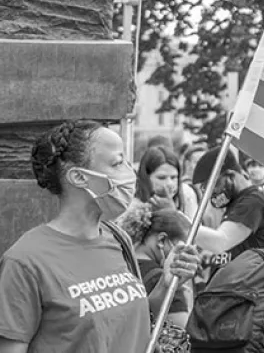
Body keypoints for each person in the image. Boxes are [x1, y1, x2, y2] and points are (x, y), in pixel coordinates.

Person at [0, 120, 200, 353]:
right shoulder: (24, 262)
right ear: (79, 177)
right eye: (117, 163)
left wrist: (166, 284)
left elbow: (132, 316)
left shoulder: (118, 238)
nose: (129, 172)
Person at [192, 146, 264, 273]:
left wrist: (182, 224)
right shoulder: (237, 202)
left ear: (231, 175)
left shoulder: (253, 201)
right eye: (204, 188)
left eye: (213, 184)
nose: (210, 193)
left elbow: (221, 241)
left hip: (244, 287)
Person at [119, 202, 194, 328]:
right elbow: (181, 330)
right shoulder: (167, 281)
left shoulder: (118, 265)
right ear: (162, 240)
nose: (189, 256)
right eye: (184, 249)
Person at [135, 145, 186, 214]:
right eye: (162, 178)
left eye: (173, 177)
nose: (169, 183)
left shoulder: (186, 199)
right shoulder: (133, 210)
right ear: (146, 177)